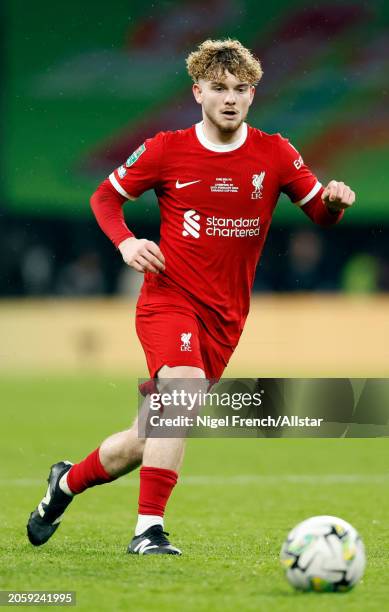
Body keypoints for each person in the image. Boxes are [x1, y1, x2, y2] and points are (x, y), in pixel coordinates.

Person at [27, 39, 355, 556]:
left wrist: (334, 203)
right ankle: (148, 531)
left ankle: (63, 485)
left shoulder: (275, 153)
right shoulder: (165, 148)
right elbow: (105, 197)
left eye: (241, 89)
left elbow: (319, 212)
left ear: (253, 94)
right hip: (168, 300)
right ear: (198, 91)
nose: (230, 98)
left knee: (144, 438)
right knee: (181, 393)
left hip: (226, 317)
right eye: (220, 88)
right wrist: (127, 241)